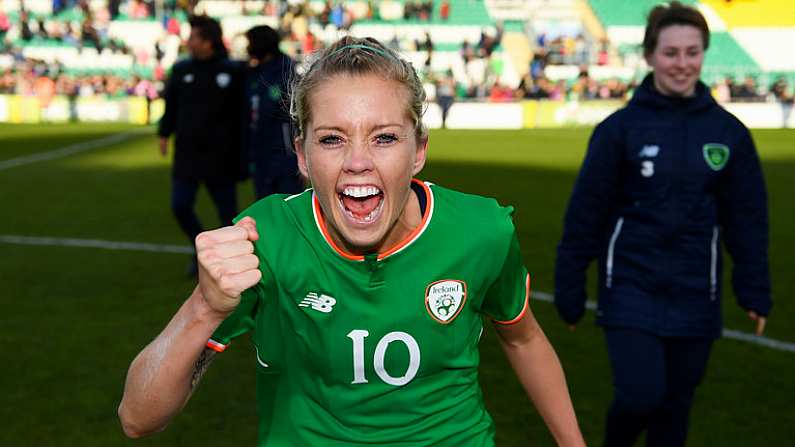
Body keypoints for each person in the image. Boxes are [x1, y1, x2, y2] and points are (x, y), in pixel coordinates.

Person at [120, 36, 586, 446]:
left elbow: (524, 340)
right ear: (301, 155)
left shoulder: (481, 230)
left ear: (419, 150)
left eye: (384, 138)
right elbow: (138, 418)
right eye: (331, 139)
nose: (358, 161)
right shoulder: (264, 238)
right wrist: (206, 305)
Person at [554, 3, 771, 447]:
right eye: (671, 53)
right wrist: (570, 285)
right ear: (650, 56)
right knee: (640, 396)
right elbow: (586, 213)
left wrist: (754, 291)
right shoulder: (619, 130)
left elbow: (746, 219)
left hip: (697, 291)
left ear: (704, 54)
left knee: (675, 408)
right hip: (631, 285)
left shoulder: (729, 133)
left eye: (693, 52)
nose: (682, 64)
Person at [158, 15, 246, 275]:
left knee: (228, 216)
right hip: (187, 155)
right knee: (180, 205)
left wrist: (242, 156)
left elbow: (241, 117)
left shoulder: (232, 71)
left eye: (194, 37)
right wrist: (164, 133)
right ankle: (200, 250)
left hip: (221, 157)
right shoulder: (182, 69)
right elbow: (171, 106)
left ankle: (233, 264)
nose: (189, 41)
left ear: (208, 42)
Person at [243, 25, 304, 200]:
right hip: (260, 157)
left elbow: (298, 117)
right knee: (266, 213)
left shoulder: (287, 71)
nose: (248, 49)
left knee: (290, 211)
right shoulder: (252, 74)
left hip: (285, 157)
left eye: (250, 43)